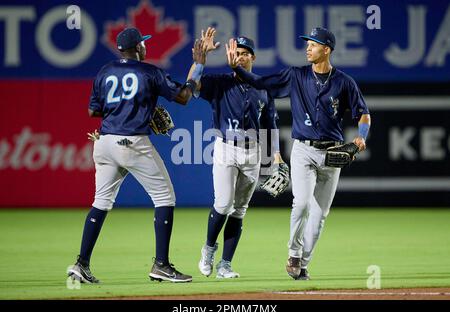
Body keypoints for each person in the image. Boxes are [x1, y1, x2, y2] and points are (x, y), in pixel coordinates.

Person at [226, 27, 371, 280]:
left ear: (326, 49)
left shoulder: (344, 82)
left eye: (313, 44)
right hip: (303, 150)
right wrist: (237, 69)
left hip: (332, 153)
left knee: (320, 215)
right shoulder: (296, 75)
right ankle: (293, 253)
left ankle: (302, 263)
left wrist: (361, 137)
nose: (307, 48)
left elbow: (364, 115)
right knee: (301, 203)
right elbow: (261, 83)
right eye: (307, 44)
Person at [67, 27, 204, 284]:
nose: (146, 46)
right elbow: (184, 97)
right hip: (132, 142)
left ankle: (81, 264)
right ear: (138, 47)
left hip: (104, 142)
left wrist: (123, 112)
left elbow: (92, 111)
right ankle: (161, 265)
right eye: (144, 43)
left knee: (101, 202)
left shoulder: (105, 71)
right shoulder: (150, 72)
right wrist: (198, 65)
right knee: (165, 197)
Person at [190, 27, 285, 278]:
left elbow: (271, 125)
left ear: (253, 58)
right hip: (225, 149)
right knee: (223, 204)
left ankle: (225, 265)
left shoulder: (263, 88)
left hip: (252, 153)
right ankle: (208, 249)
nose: (240, 57)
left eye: (245, 54)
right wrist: (200, 60)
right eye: (237, 52)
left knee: (239, 210)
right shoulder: (220, 83)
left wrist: (275, 156)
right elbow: (192, 86)